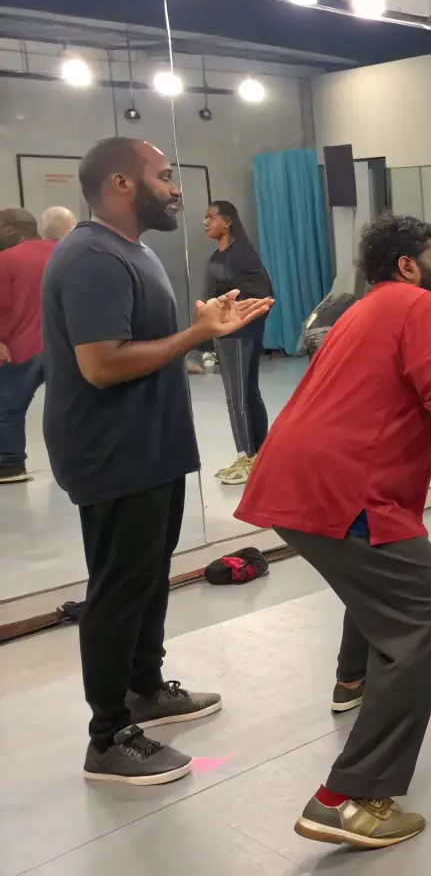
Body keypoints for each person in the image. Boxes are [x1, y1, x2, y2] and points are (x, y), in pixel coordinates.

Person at [235, 214, 431, 849]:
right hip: (345, 485)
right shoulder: (422, 306)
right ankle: (347, 798)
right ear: (407, 266)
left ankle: (354, 683)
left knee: (387, 599)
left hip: (302, 480)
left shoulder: (368, 310)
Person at [42, 136, 272, 785]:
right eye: (165, 176)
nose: (176, 189)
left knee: (146, 577)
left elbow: (140, 343)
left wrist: (203, 324)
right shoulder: (91, 257)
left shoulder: (133, 251)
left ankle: (144, 688)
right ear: (122, 183)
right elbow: (101, 363)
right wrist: (196, 335)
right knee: (119, 588)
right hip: (113, 451)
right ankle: (108, 737)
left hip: (151, 447)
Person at [202, 200, 274, 485]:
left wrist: (235, 311)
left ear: (227, 221)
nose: (206, 223)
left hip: (242, 333)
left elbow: (263, 293)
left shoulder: (243, 254)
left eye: (211, 217)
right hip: (226, 333)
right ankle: (258, 457)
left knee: (238, 398)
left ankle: (247, 458)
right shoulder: (215, 258)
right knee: (246, 394)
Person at [0, 208, 56, 483]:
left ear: (11, 229)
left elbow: (3, 309)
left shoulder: (6, 259)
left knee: (8, 408)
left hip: (22, 348)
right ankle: (71, 461)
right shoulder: (62, 252)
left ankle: (11, 465)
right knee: (65, 408)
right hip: (64, 348)